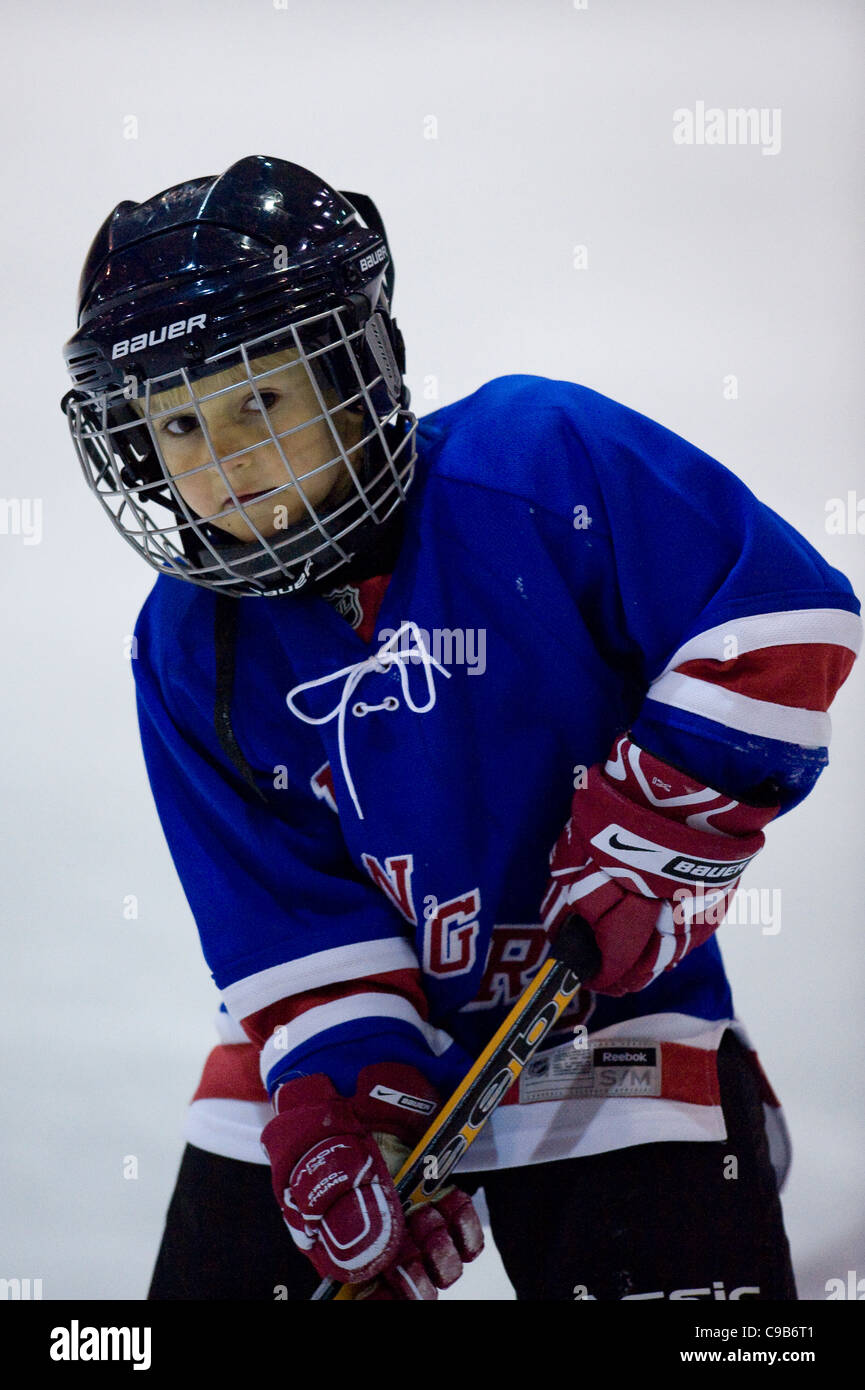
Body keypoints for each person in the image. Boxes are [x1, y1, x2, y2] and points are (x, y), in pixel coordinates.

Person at [61, 154, 861, 1302]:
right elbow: (283, 921)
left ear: (358, 374)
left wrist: (660, 827)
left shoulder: (538, 461)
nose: (224, 461)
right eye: (178, 422)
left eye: (262, 400)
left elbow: (778, 608)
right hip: (334, 1049)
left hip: (609, 1015)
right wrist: (347, 1108)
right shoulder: (190, 642)